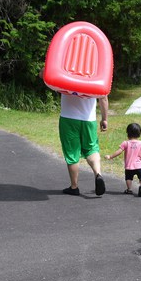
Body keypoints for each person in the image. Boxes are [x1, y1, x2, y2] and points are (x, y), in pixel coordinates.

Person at [40, 66, 108, 196]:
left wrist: (52, 62)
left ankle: (74, 186)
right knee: (91, 149)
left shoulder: (66, 66)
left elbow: (43, 74)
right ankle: (98, 173)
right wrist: (104, 119)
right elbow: (103, 96)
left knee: (72, 152)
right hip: (89, 119)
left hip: (68, 118)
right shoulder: (95, 69)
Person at [104, 122, 141, 197]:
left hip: (129, 166)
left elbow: (119, 151)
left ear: (127, 133)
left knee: (128, 178)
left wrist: (110, 156)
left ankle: (129, 189)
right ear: (139, 133)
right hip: (139, 166)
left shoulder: (126, 143)